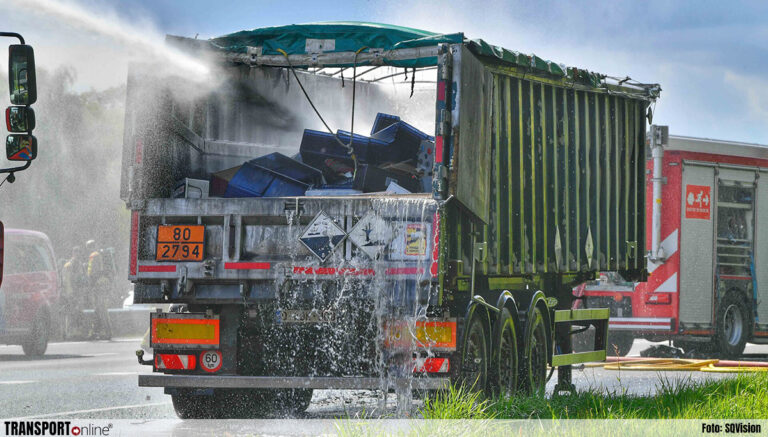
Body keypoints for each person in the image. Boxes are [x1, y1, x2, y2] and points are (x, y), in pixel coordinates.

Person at [86, 240, 112, 340]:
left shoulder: (93, 255)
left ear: (89, 247)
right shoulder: (99, 254)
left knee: (101, 309)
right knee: (98, 309)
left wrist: (90, 284)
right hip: (103, 284)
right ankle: (95, 332)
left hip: (98, 285)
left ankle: (107, 332)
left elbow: (92, 272)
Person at [61, 246, 87, 339]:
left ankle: (78, 332)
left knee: (78, 312)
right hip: (71, 293)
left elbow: (81, 279)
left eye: (80, 252)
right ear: (73, 253)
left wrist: (82, 291)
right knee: (70, 312)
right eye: (77, 252)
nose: (78, 254)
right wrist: (70, 293)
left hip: (78, 293)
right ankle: (68, 332)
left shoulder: (80, 264)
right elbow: (66, 280)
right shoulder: (69, 265)